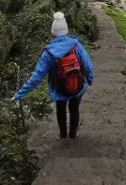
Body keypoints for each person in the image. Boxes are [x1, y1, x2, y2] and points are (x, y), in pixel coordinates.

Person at [12, 11, 94, 139]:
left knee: (60, 110)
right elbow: (88, 65)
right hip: (77, 87)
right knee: (74, 109)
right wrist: (89, 79)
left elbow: (37, 76)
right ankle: (73, 134)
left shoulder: (49, 53)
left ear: (53, 31)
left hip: (58, 88)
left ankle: (62, 134)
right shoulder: (76, 45)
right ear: (66, 29)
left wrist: (20, 94)